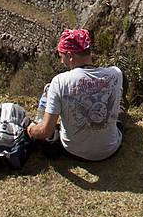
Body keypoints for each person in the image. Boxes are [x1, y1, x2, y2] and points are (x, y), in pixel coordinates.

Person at [28, 28, 125, 162]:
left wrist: (31, 130)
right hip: (111, 148)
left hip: (74, 151)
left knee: (49, 93)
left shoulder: (60, 81)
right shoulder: (116, 74)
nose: (62, 61)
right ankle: (120, 111)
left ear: (70, 55)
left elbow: (46, 131)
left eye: (62, 56)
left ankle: (39, 121)